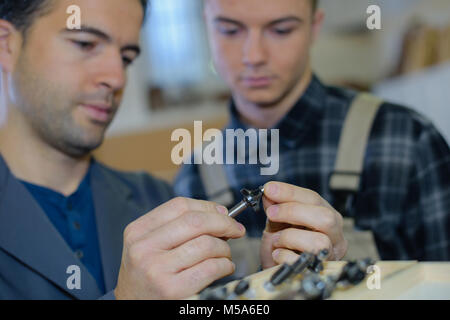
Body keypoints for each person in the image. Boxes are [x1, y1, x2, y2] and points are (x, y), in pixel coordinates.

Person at [0, 0, 346, 300]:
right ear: (7, 45)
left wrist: (274, 286)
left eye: (127, 57)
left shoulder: (158, 200)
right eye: (85, 43)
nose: (117, 77)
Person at [175, 0, 450, 262]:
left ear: (314, 27)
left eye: (281, 30)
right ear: (207, 26)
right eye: (230, 30)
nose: (254, 56)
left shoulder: (407, 140)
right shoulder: (195, 179)